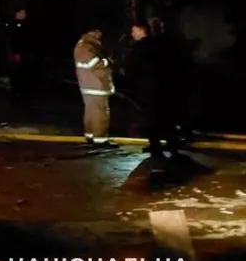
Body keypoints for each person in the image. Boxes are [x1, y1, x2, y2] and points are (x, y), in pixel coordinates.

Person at [126, 18, 187, 157]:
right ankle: (173, 146)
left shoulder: (141, 47)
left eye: (134, 31)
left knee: (151, 120)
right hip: (163, 87)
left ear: (142, 31)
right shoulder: (160, 45)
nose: (132, 34)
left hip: (149, 89)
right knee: (166, 118)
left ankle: (156, 147)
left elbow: (134, 67)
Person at [73, 27, 117, 147]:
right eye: (97, 31)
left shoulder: (83, 45)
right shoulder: (87, 46)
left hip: (89, 84)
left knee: (91, 111)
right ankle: (100, 139)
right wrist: (108, 62)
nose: (99, 34)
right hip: (96, 84)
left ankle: (90, 135)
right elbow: (93, 63)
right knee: (101, 113)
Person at [6, 7, 35, 107]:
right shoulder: (14, 26)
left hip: (25, 52)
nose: (24, 14)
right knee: (18, 71)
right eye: (22, 13)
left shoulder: (25, 25)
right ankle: (18, 90)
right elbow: (14, 40)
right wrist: (16, 52)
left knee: (25, 70)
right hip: (18, 52)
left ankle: (23, 90)